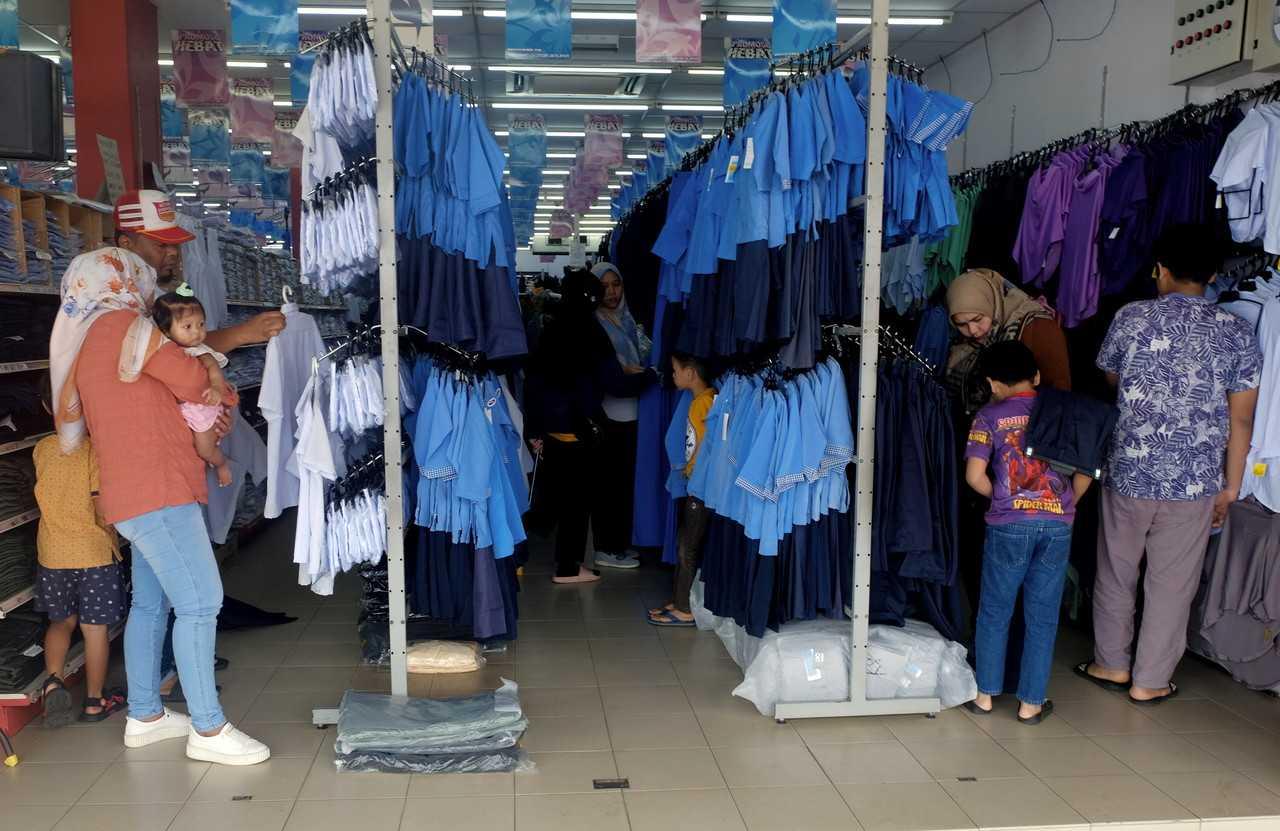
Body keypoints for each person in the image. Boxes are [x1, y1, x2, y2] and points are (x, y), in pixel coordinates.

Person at [50, 205, 269, 765]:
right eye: (138, 271)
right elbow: (197, 381)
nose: (150, 277)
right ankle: (210, 730)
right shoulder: (128, 327)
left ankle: (145, 713)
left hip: (137, 490)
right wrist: (213, 392)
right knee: (201, 602)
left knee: (150, 604)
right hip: (160, 491)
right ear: (123, 280)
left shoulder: (91, 336)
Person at [1077, 225, 1261, 706]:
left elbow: (1115, 381)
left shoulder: (1131, 318)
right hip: (1197, 480)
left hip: (1129, 470)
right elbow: (1242, 418)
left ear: (1159, 270)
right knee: (1173, 583)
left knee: (1116, 571)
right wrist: (1230, 487)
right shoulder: (1236, 331)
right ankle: (1150, 681)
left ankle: (1110, 664)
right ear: (1215, 276)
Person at [962, 342, 1092, 724]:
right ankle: (1031, 704)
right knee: (1042, 615)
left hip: (1008, 525)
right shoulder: (1066, 413)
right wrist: (1068, 502)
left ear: (991, 382)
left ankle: (985, 695)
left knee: (994, 612)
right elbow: (1085, 470)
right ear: (1036, 377)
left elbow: (974, 477)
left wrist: (1004, 498)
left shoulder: (988, 417)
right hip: (1056, 524)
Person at [525, 268, 656, 584]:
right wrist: (652, 376)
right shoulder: (590, 331)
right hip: (579, 425)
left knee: (561, 494)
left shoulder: (554, 329)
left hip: (554, 425)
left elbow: (535, 381)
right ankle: (568, 569)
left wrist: (534, 429)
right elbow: (613, 382)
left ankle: (563, 561)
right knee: (577, 502)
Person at [32, 372, 127, 727]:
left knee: (61, 621)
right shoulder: (96, 450)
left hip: (53, 553)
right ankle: (93, 701)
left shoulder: (42, 449)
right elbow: (101, 504)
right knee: (94, 629)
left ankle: (53, 679)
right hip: (93, 554)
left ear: (45, 407)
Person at [590, 262, 652, 570]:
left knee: (626, 483)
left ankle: (620, 543)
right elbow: (611, 372)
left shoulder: (628, 321)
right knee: (610, 485)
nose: (612, 292)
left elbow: (636, 362)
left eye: (616, 285)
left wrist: (632, 370)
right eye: (605, 286)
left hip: (635, 412)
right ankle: (606, 547)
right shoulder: (595, 325)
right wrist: (628, 370)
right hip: (610, 414)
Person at [648, 352, 716, 626]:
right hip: (696, 485)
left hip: (698, 488)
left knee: (687, 548)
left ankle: (684, 609)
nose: (673, 375)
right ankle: (678, 601)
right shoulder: (702, 400)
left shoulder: (703, 403)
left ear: (691, 373)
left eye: (676, 370)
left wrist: (690, 473)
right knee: (683, 544)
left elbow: (702, 444)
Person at [946, 268, 1071, 414]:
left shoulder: (1038, 328)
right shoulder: (964, 341)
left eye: (977, 319)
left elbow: (1060, 394)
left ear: (991, 302)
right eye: (961, 324)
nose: (972, 330)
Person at [151, 290, 234, 486]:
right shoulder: (167, 351)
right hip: (185, 409)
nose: (197, 332)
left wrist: (215, 387)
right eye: (187, 326)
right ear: (166, 331)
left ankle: (222, 464)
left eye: (201, 324)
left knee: (205, 450)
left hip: (202, 407)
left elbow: (213, 368)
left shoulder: (199, 351)